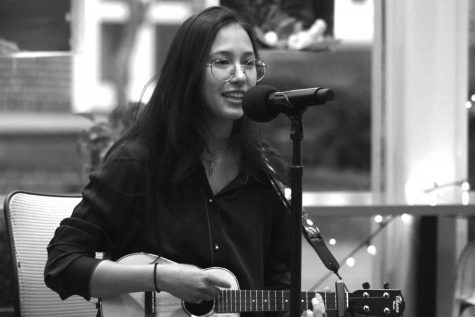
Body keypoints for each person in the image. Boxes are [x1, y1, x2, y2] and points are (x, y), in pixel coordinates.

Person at [44, 5, 326, 317]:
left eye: (248, 63)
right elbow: (62, 264)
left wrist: (301, 312)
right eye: (222, 62)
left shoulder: (267, 173)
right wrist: (161, 277)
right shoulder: (137, 162)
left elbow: (278, 283)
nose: (240, 76)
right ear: (188, 72)